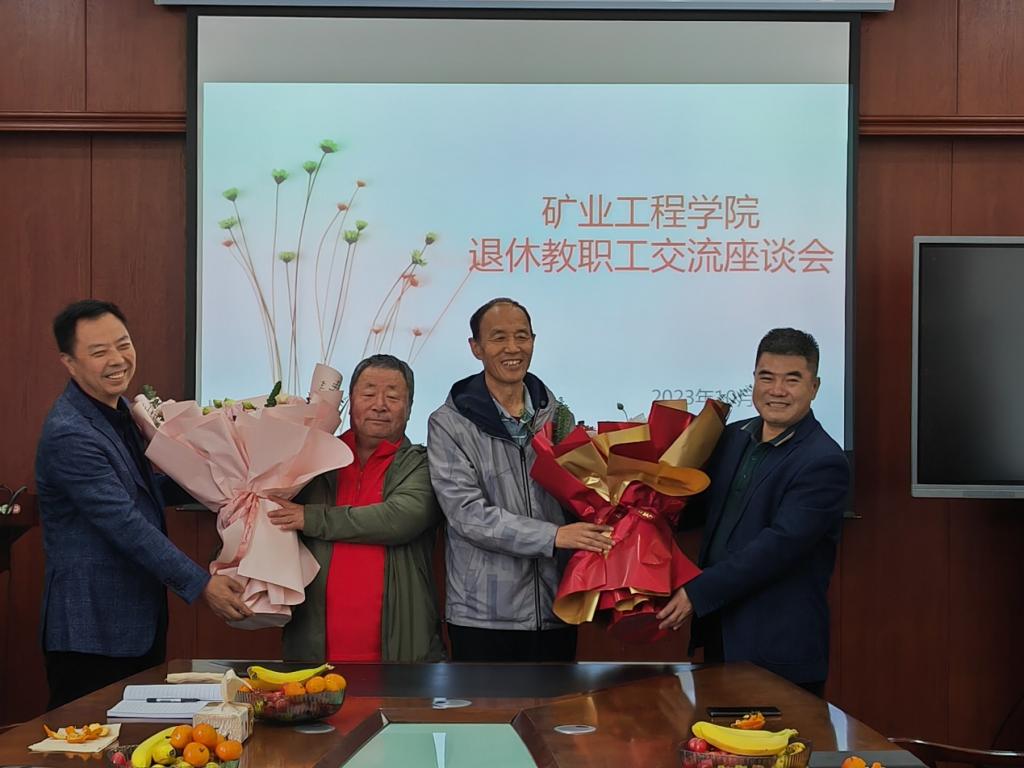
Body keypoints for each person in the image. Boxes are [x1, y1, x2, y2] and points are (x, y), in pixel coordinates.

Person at [35, 299, 251, 710]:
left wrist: (233, 479)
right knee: (85, 737)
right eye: (99, 352)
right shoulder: (70, 433)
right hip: (91, 629)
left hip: (135, 621)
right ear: (69, 363)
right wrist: (202, 584)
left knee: (136, 734)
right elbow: (125, 523)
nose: (118, 360)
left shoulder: (120, 411)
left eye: (123, 344)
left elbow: (147, 489)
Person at [656, 328, 849, 696]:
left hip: (777, 651)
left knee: (779, 738)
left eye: (792, 379)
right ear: (754, 380)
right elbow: (694, 508)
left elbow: (778, 548)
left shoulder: (824, 462)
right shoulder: (733, 437)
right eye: (767, 377)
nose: (777, 390)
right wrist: (637, 509)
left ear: (815, 387)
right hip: (719, 637)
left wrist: (698, 592)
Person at [427, 298, 613, 662]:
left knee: (558, 702)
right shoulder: (449, 423)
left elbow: (580, 494)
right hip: (484, 614)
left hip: (556, 608)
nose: (513, 348)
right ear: (476, 348)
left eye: (522, 336)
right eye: (499, 338)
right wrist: (553, 537)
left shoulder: (556, 416)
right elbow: (467, 515)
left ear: (533, 341)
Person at [269, 354, 444, 663]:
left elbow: (400, 519)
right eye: (368, 394)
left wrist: (310, 518)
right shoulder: (313, 461)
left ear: (410, 407)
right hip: (313, 653)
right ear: (349, 402)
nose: (380, 405)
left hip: (402, 655)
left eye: (393, 397)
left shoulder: (423, 464)